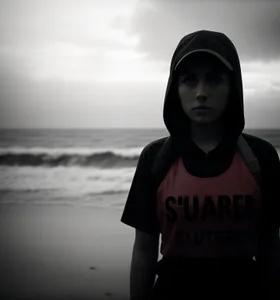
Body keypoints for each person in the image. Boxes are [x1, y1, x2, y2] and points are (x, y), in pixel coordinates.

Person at [120, 29, 280, 300]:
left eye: (214, 80)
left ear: (233, 87)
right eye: (189, 80)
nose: (201, 93)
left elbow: (270, 248)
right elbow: (145, 249)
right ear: (175, 88)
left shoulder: (261, 157)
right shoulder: (155, 158)